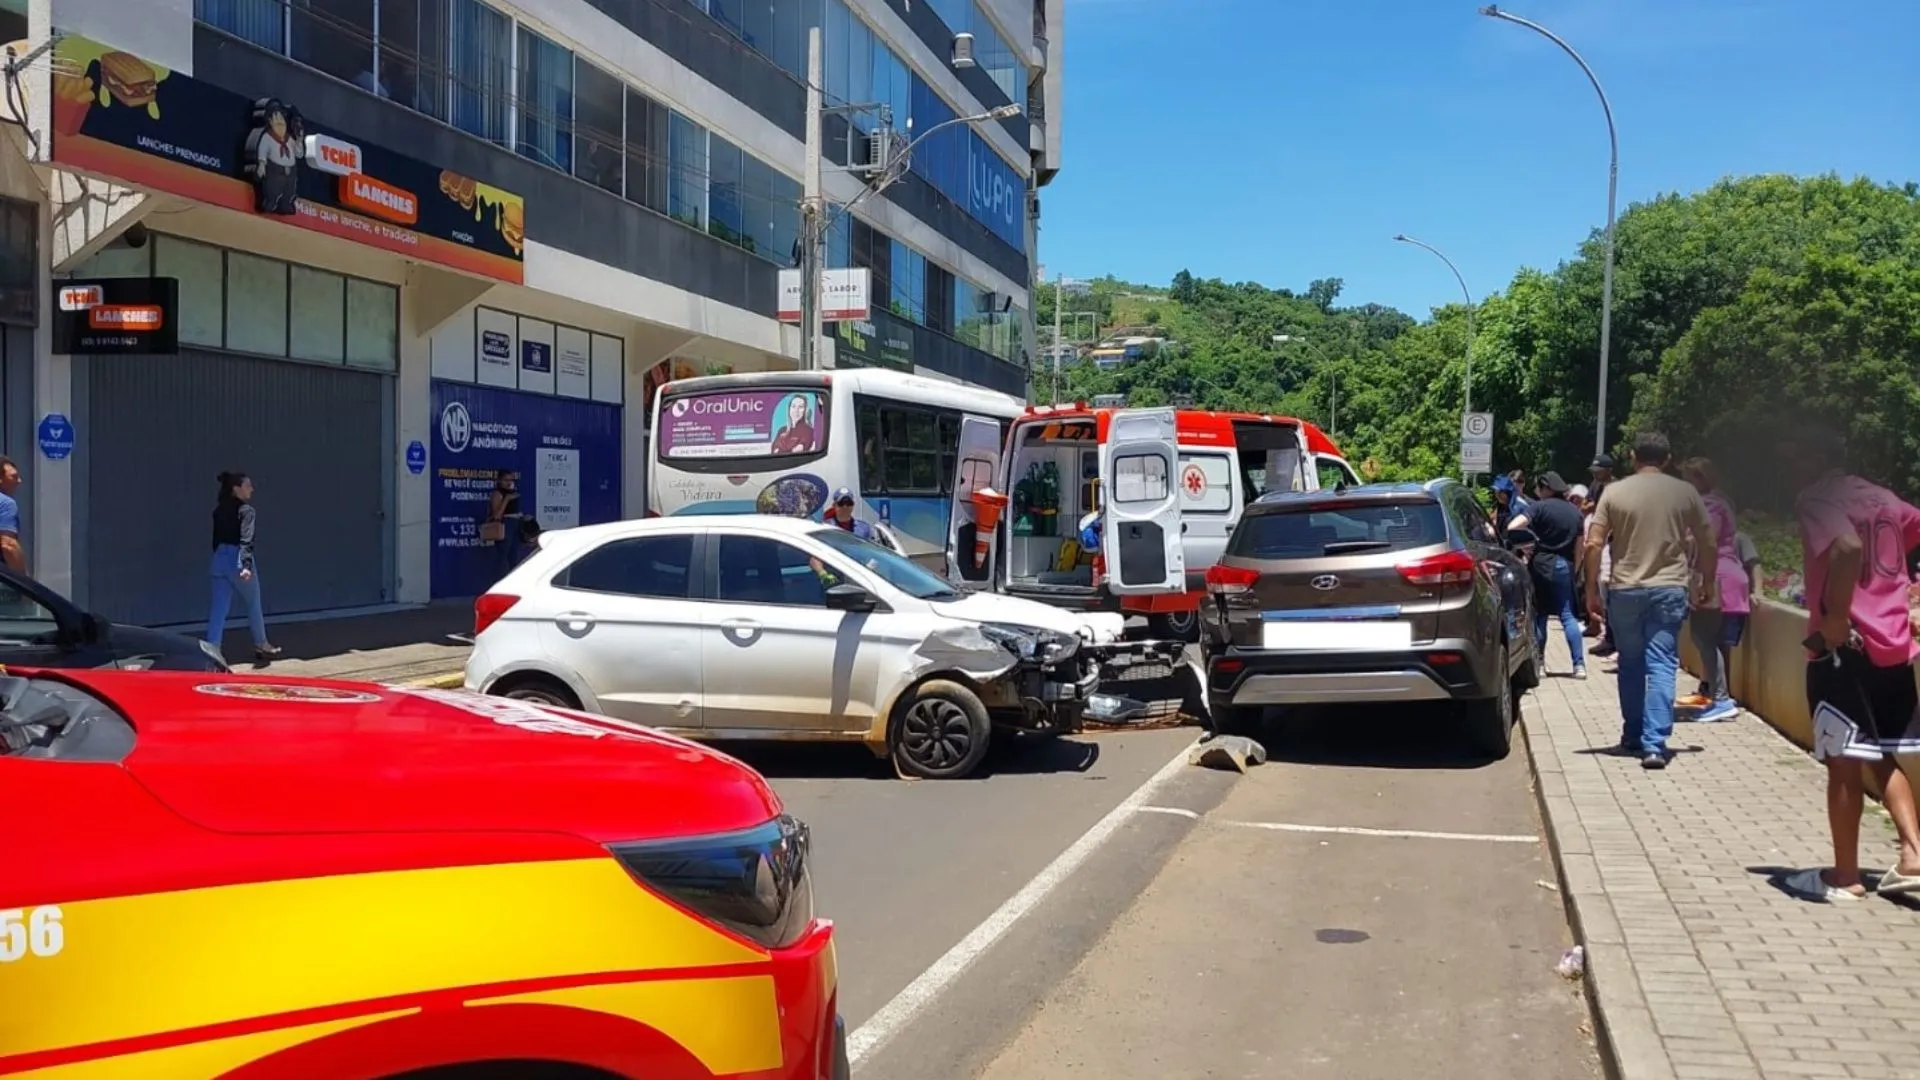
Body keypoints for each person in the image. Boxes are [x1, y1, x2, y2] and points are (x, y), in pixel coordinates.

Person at [1787, 426, 1920, 900]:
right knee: (1881, 754)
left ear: (1812, 459)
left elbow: (1846, 547)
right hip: (1893, 644)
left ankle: (1845, 877)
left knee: (1843, 762)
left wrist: (1837, 615)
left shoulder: (1817, 498)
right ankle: (1913, 855)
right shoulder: (1882, 497)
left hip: (1845, 648)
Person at [1582, 432, 1715, 770]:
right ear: (1667, 459)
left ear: (1632, 456)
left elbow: (1594, 543)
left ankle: (1632, 735)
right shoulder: (1684, 492)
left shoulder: (1614, 492)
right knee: (1662, 663)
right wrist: (1708, 581)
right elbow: (1707, 539)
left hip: (1625, 588)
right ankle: (1654, 744)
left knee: (1630, 663)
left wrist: (1590, 590)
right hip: (1669, 588)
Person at [1677, 457, 1743, 722]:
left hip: (1714, 576)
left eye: (1688, 479)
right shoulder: (1722, 501)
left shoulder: (1709, 505)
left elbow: (1706, 540)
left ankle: (1721, 698)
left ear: (1700, 479)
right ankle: (1717, 694)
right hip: (1723, 574)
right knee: (1712, 639)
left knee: (1704, 637)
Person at [205, 471, 281, 663]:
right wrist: (245, 565)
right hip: (237, 558)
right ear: (236, 488)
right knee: (253, 602)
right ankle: (261, 643)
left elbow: (215, 539)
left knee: (218, 608)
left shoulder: (219, 510)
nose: (251, 489)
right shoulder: (246, 511)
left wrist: (220, 556)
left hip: (219, 559)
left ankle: (212, 649)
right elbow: (247, 539)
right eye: (247, 486)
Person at [1526, 472, 1587, 679]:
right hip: (1565, 565)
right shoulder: (1575, 512)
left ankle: (1540, 664)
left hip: (1541, 565)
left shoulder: (1538, 507)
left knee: (1540, 615)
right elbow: (1580, 547)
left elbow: (1514, 525)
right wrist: (1575, 570)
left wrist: (1525, 545)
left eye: (1538, 487)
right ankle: (1579, 665)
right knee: (1568, 616)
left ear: (1546, 488)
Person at [486, 471, 526, 582]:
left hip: (516, 525)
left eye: (511, 480)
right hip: (505, 526)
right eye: (506, 480)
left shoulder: (514, 493)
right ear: (499, 481)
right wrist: (507, 499)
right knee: (503, 556)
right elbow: (496, 515)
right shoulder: (497, 494)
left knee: (515, 556)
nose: (509, 483)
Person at [0, 456, 25, 574]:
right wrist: (23, 581)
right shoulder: (6, 504)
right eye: (13, 476)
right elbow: (8, 546)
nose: (19, 481)